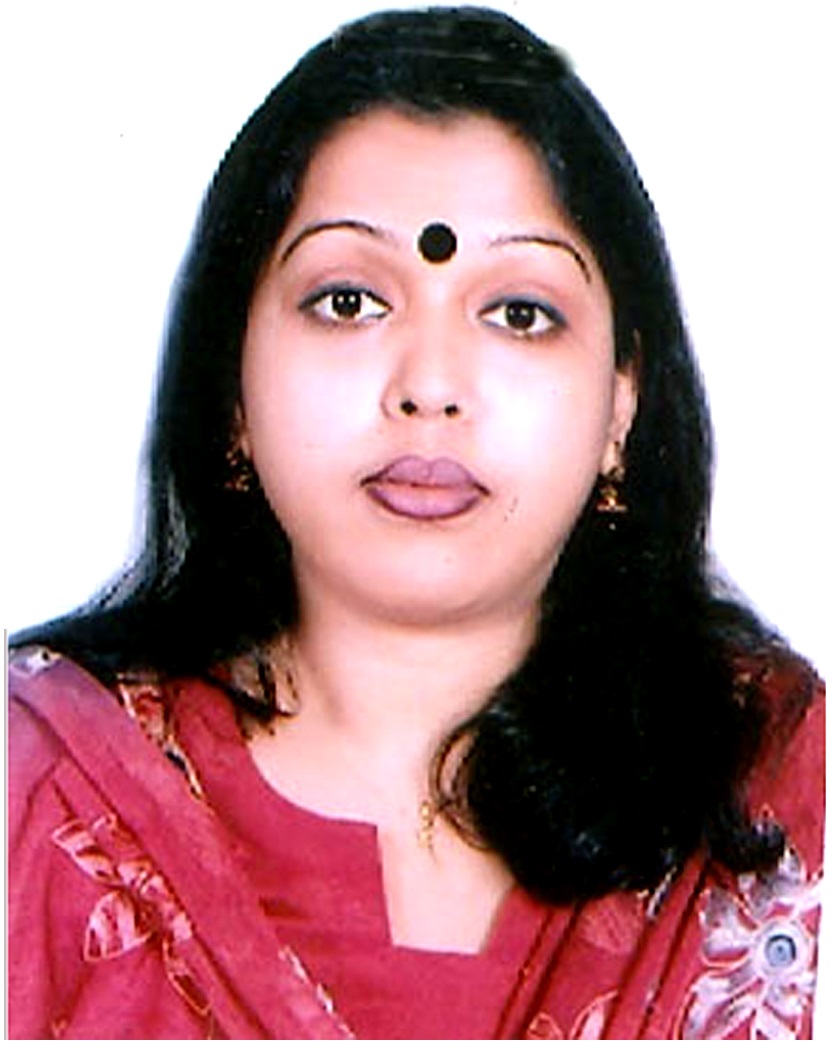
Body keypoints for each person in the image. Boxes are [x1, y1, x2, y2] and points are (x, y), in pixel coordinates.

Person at [7, 5, 824, 1040]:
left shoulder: (778, 783)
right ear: (230, 393)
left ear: (621, 407)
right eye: (349, 301)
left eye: (519, 312)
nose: (430, 387)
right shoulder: (40, 789)